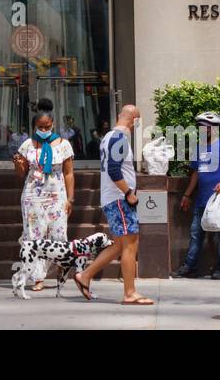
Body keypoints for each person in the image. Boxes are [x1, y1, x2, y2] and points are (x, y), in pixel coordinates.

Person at [73, 104, 153, 305]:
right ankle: (129, 293)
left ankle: (85, 276)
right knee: (130, 243)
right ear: (134, 122)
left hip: (113, 198)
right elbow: (114, 170)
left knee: (119, 245)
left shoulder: (108, 137)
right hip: (120, 199)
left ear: (119, 116)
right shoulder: (120, 139)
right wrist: (128, 193)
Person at [12, 99, 74, 291]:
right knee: (34, 236)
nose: (44, 130)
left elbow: (69, 173)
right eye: (40, 127)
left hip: (57, 194)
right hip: (33, 195)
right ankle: (38, 278)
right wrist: (18, 163)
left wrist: (71, 198)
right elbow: (21, 173)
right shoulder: (28, 145)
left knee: (59, 234)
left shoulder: (64, 145)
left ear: (53, 124)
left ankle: (60, 273)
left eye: (47, 127)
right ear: (35, 126)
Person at [174, 110, 220, 279]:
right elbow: (196, 173)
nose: (202, 130)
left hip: (218, 200)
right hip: (201, 200)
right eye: (200, 127)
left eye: (205, 127)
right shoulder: (199, 147)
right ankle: (190, 267)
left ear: (215, 128)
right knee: (196, 233)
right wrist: (187, 195)